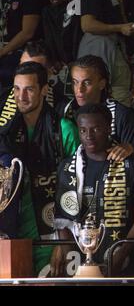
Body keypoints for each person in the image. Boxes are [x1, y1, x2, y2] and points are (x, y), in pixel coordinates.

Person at [0, 61, 79, 276]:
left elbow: (78, 186)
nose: (21, 96)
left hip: (53, 232)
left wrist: (65, 242)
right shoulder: (6, 133)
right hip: (16, 234)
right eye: (16, 89)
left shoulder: (64, 130)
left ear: (44, 90)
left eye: (29, 89)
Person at [52, 104, 134, 277]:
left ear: (108, 127)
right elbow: (63, 222)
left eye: (95, 129)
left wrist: (120, 256)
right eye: (83, 130)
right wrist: (71, 262)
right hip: (78, 262)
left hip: (122, 261)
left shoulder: (131, 164)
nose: (89, 136)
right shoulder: (67, 168)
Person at [64, 55, 134, 160]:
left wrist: (129, 148)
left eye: (86, 83)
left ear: (102, 84)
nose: (79, 89)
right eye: (75, 82)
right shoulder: (65, 111)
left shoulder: (122, 115)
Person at [78, 0, 134, 106]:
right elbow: (87, 24)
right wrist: (120, 27)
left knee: (119, 94)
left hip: (114, 46)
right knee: (98, 96)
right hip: (99, 47)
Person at [0, 0, 47, 88]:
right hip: (5, 50)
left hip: (25, 50)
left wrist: (2, 52)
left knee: (6, 71)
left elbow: (27, 32)